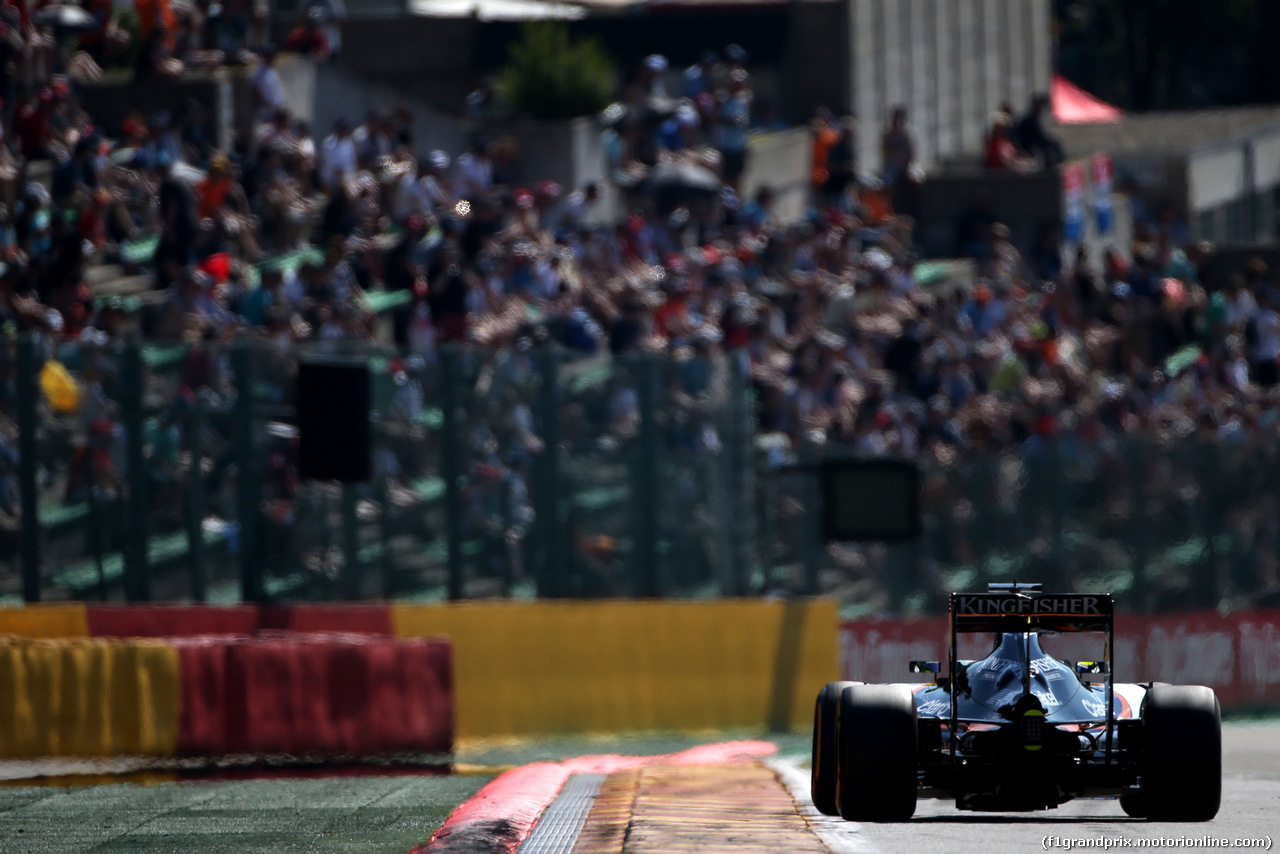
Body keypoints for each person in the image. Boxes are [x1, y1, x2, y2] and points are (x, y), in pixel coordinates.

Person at [1013, 94, 1064, 168]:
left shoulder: (1034, 119)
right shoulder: (1030, 120)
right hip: (1030, 145)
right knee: (1050, 149)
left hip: (1035, 143)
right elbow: (1035, 137)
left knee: (1055, 145)